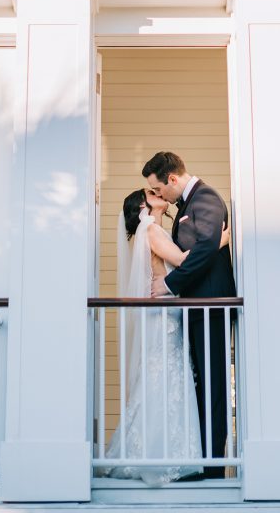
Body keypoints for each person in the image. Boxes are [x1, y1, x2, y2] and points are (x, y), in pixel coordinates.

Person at [101, 188, 206, 485]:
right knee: (166, 379)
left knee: (162, 380)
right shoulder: (152, 230)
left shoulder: (152, 230)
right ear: (144, 205)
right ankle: (162, 454)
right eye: (151, 192)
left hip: (164, 314)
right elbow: (184, 261)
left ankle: (158, 451)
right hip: (163, 316)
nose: (158, 192)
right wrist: (220, 241)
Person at [143, 152, 236, 479]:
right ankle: (200, 463)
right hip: (196, 310)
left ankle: (212, 470)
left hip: (211, 307)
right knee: (200, 387)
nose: (160, 196)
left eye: (159, 188)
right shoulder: (185, 206)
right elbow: (205, 248)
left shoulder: (206, 198)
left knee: (213, 389)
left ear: (171, 178)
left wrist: (169, 284)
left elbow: (205, 250)